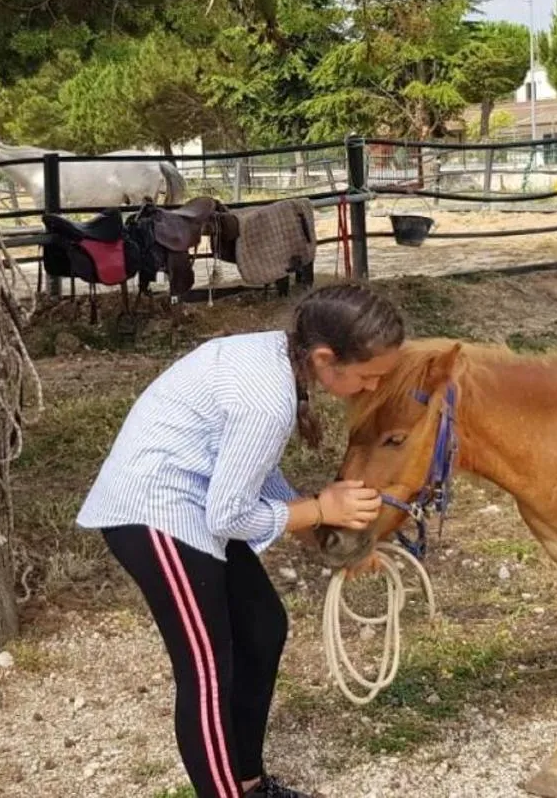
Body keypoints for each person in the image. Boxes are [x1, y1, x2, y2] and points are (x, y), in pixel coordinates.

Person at [76, 283, 407, 798]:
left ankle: (249, 783)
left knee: (263, 628)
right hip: (156, 513)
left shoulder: (278, 356)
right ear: (326, 358)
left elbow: (251, 473)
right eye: (368, 376)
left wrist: (326, 538)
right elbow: (229, 513)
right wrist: (321, 508)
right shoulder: (269, 398)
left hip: (199, 503)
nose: (372, 386)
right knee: (208, 671)